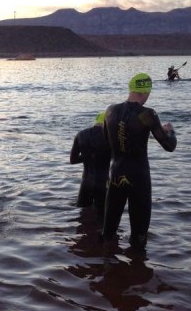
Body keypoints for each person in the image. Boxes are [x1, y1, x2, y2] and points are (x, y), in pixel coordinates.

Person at [101, 73, 177, 251]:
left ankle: (106, 262)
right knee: (139, 235)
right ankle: (137, 264)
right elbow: (169, 146)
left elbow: (106, 140)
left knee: (108, 231)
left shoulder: (110, 110)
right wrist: (170, 131)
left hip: (116, 175)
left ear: (131, 89)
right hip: (138, 177)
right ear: (146, 92)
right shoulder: (147, 114)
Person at [69, 111, 111, 215]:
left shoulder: (80, 134)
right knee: (103, 215)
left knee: (82, 214)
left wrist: (88, 155)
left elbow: (73, 160)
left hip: (86, 183)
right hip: (103, 183)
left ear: (96, 121)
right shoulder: (110, 137)